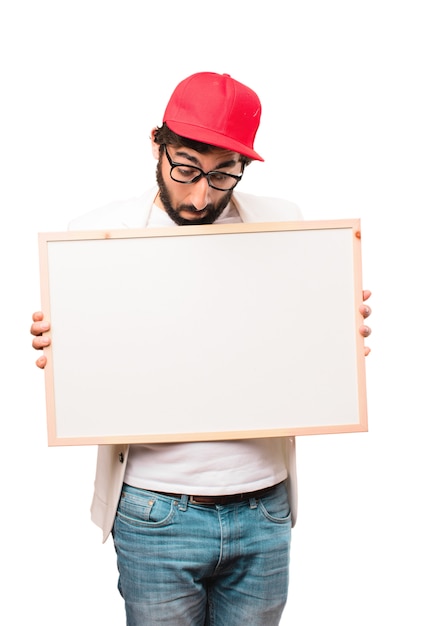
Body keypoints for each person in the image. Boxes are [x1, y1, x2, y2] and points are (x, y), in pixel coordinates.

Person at [31, 71, 372, 625]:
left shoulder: (287, 227)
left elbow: (303, 353)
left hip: (262, 504)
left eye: (222, 176)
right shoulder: (95, 237)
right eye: (185, 168)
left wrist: (335, 335)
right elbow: (91, 371)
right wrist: (65, 352)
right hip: (154, 509)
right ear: (156, 145)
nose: (198, 195)